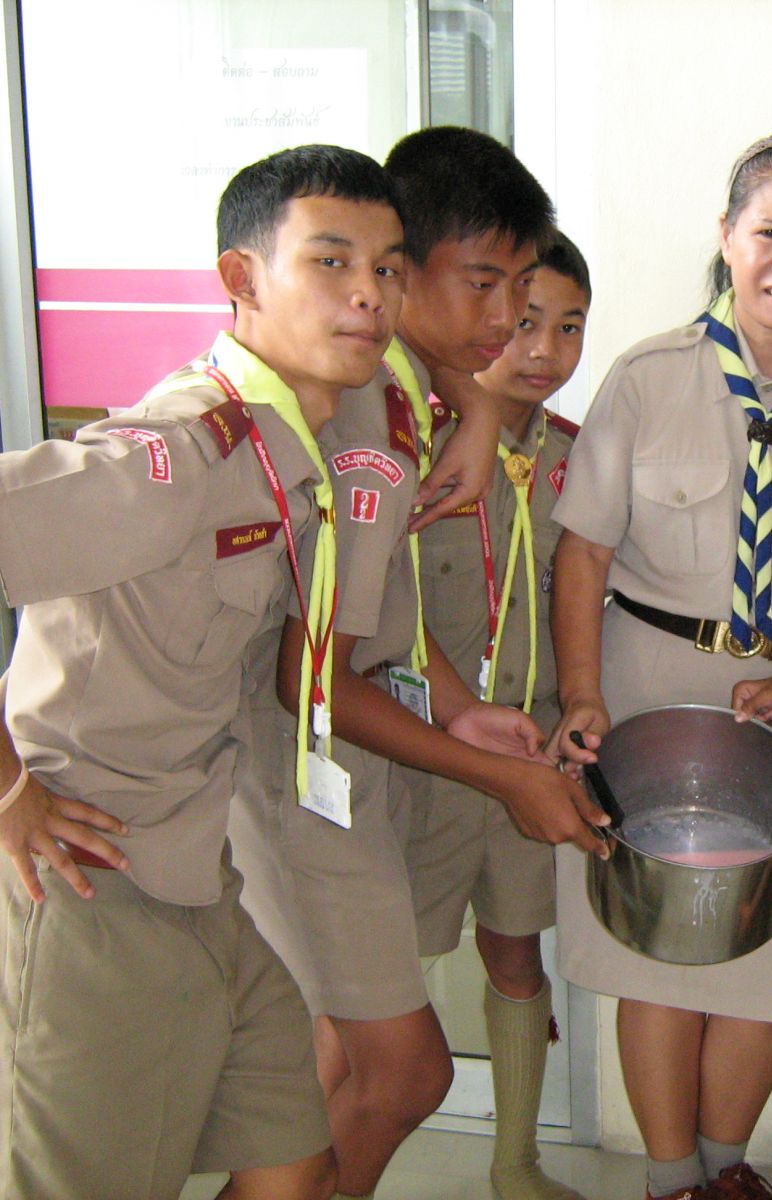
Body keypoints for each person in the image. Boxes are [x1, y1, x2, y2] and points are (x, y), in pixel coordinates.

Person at [0, 142, 414, 1199]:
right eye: (331, 261)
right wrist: (7, 793)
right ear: (242, 279)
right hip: (89, 882)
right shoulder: (179, 453)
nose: (370, 294)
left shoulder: (293, 442)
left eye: (388, 268)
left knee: (294, 1162)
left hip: (197, 877)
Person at [228, 128, 604, 1200]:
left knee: (352, 1070)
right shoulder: (373, 430)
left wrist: (452, 704)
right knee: (381, 1070)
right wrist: (499, 774)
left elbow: (377, 609)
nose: (506, 319)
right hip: (302, 773)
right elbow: (313, 679)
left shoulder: (407, 393)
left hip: (344, 760)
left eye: (523, 290)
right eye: (486, 285)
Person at [548, 131, 772, 1200]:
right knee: (656, 953)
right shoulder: (645, 377)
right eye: (768, 234)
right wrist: (582, 694)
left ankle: (724, 1172)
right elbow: (584, 551)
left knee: (769, 960)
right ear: (726, 236)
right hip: (648, 680)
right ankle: (672, 1184)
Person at [401, 231, 593, 1200]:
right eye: (523, 322)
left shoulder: (579, 460)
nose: (544, 349)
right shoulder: (417, 443)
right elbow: (377, 604)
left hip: (532, 749)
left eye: (569, 327)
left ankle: (516, 1164)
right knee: (384, 970)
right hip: (420, 757)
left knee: (517, 953)